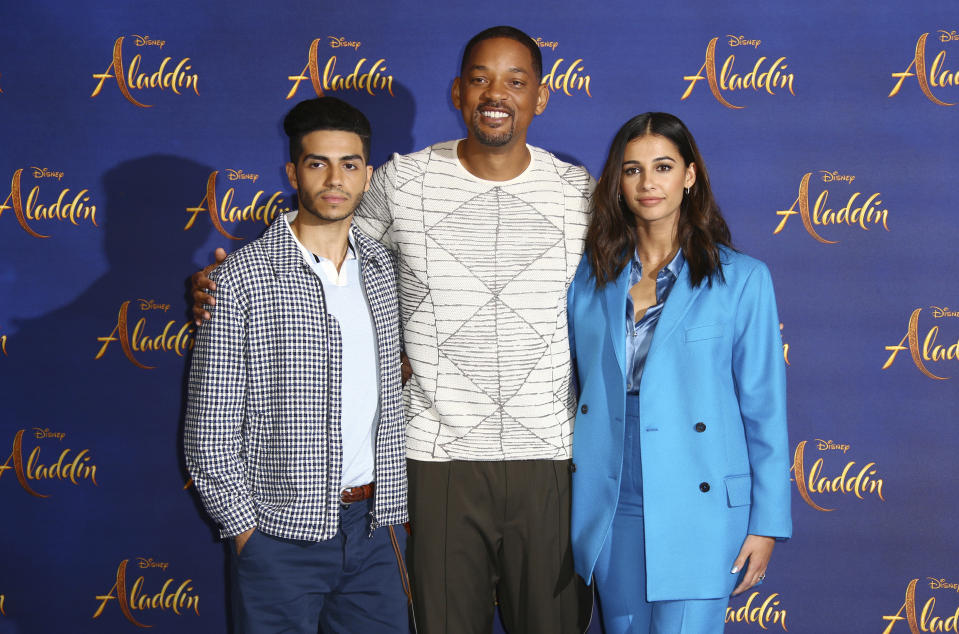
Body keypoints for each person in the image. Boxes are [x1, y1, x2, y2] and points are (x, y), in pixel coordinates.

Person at [192, 26, 592, 634]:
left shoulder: (578, 192)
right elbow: (326, 240)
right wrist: (223, 286)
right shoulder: (400, 182)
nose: (496, 93)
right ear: (458, 91)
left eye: (516, 81)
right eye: (481, 78)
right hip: (434, 460)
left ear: (541, 96)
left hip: (549, 456)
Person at [183, 97, 411, 633]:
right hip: (278, 537)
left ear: (367, 174)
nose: (335, 179)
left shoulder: (383, 271)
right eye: (318, 163)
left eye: (349, 164)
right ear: (292, 171)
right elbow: (208, 428)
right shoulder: (240, 279)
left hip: (376, 531)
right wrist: (246, 533)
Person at [566, 112, 792, 633]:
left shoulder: (742, 279)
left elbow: (764, 410)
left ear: (689, 176)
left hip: (702, 503)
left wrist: (767, 523)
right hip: (612, 500)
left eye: (663, 166)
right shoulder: (590, 278)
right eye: (632, 170)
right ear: (617, 183)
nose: (648, 183)